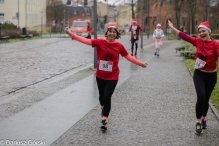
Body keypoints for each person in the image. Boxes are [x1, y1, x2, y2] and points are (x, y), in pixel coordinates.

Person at [65, 23, 148, 130]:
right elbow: (86, 41)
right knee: (101, 97)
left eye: (114, 32)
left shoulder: (119, 46)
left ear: (116, 34)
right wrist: (71, 34)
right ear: (107, 33)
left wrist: (140, 63)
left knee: (107, 97)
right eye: (110, 31)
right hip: (100, 75)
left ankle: (104, 120)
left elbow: (127, 56)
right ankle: (103, 108)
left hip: (113, 76)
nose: (112, 34)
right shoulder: (99, 42)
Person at [168, 20, 219, 134]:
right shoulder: (197, 41)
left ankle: (204, 117)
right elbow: (184, 36)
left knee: (206, 99)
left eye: (203, 31)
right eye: (200, 32)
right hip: (199, 74)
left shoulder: (215, 45)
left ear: (209, 32)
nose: (201, 33)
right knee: (201, 97)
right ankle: (198, 122)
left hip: (211, 76)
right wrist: (172, 27)